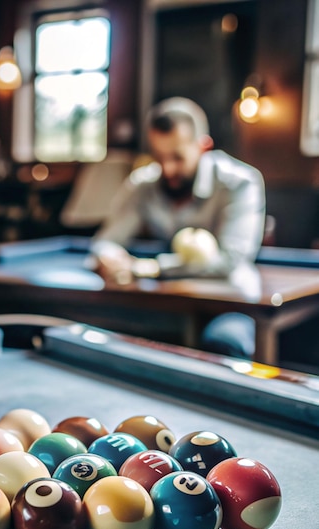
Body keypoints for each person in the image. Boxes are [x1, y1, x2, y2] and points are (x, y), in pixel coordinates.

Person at [91, 97, 266, 358]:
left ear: (204, 147)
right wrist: (109, 258)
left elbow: (230, 259)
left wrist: (148, 268)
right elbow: (105, 241)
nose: (167, 168)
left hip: (230, 301)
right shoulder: (144, 183)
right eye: (158, 157)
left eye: (177, 157)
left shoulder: (240, 182)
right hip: (168, 303)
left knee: (224, 344)